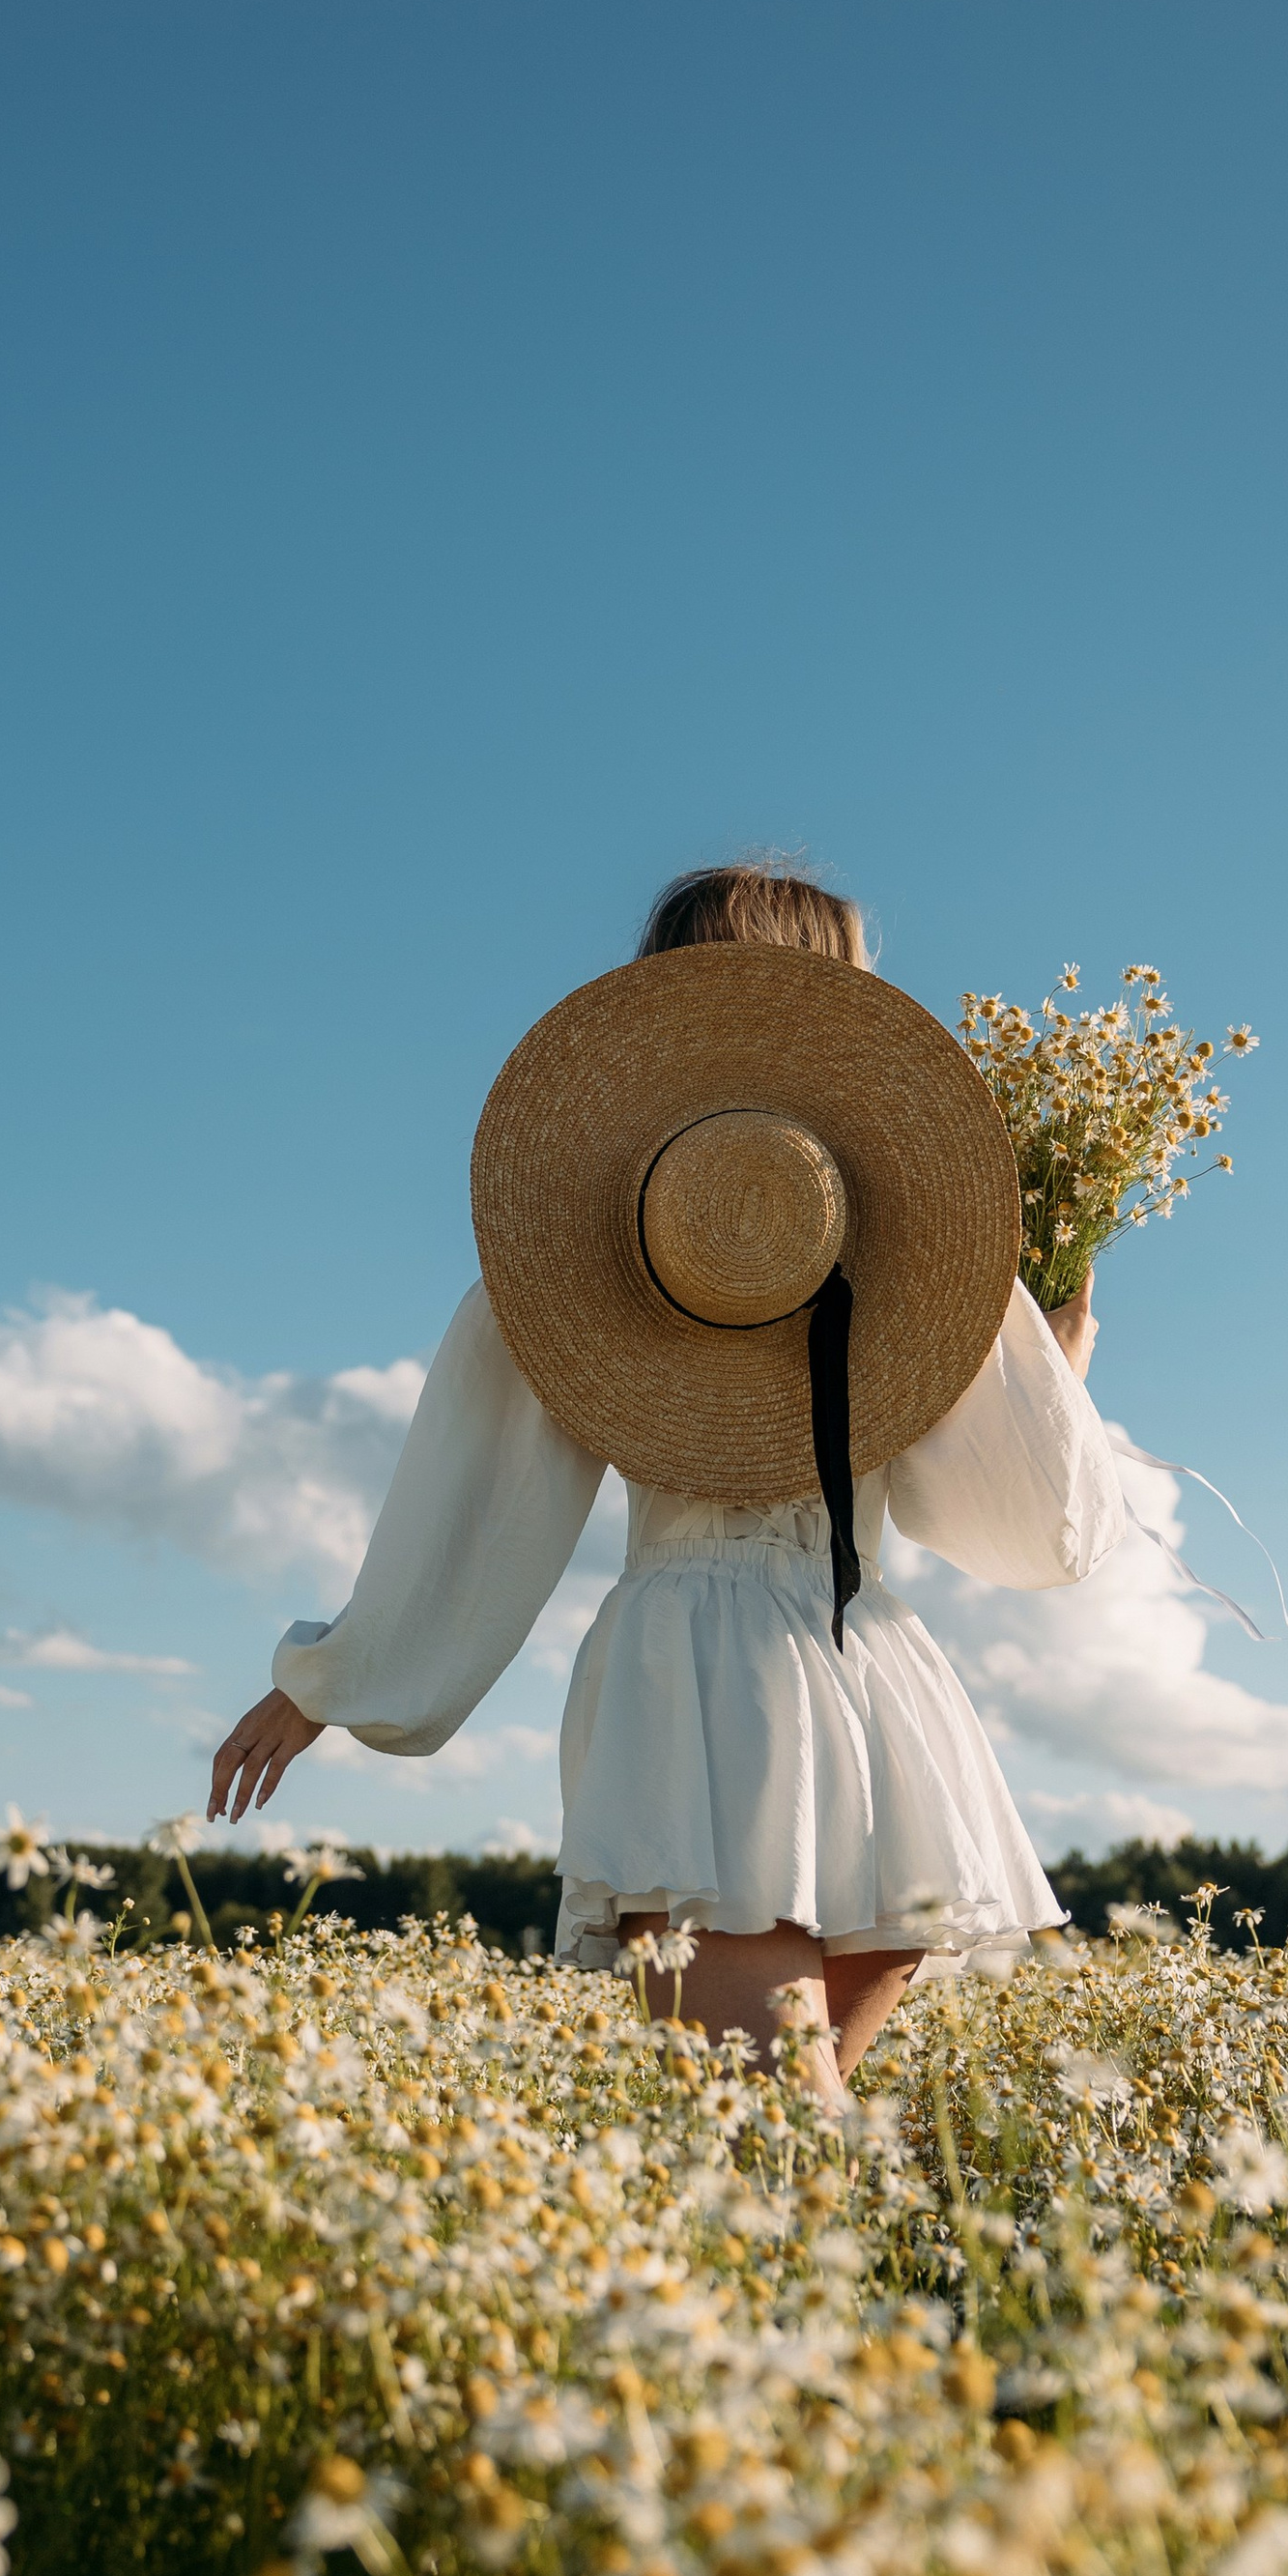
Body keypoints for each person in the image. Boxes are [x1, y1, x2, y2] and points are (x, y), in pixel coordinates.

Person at [207, 863, 1128, 2104]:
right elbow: (1035, 1523)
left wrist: (335, 1677)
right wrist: (1058, 1370)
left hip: (708, 1672)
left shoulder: (581, 1258)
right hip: (872, 1682)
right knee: (782, 2143)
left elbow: (479, 1503)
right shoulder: (934, 1246)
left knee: (766, 2142)